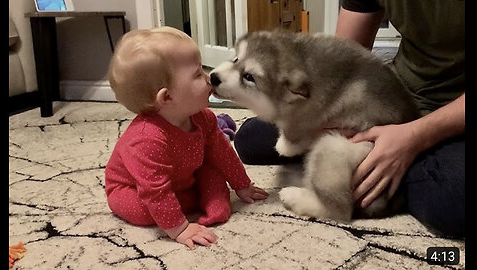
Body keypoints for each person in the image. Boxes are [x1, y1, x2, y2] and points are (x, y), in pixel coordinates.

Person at [234, 0, 464, 237]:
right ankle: (380, 170)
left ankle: (390, 176)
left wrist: (414, 138)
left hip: (454, 113)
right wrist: (332, 119)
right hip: (396, 94)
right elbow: (344, 60)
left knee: (455, 198)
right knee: (250, 140)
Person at [105, 26, 269, 250]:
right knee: (144, 210)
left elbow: (223, 152)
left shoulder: (203, 118)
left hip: (184, 175)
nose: (208, 77)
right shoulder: (146, 139)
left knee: (213, 166)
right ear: (168, 96)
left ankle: (201, 199)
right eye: (197, 74)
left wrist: (242, 185)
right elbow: (154, 190)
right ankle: (192, 202)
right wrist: (179, 228)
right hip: (133, 188)